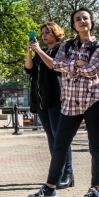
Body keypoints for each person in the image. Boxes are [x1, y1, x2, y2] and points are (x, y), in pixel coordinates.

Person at [27, 9, 99, 197]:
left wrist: (71, 66)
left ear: (92, 22)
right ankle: (50, 187)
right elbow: (56, 65)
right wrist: (76, 64)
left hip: (93, 100)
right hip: (70, 101)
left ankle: (95, 187)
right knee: (59, 144)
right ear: (73, 24)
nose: (82, 21)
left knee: (95, 145)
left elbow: (90, 70)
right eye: (78, 19)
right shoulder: (67, 45)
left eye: (85, 18)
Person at [25, 22, 73, 188]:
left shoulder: (63, 48)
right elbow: (29, 69)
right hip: (41, 98)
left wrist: (38, 50)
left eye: (48, 32)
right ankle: (56, 173)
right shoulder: (41, 51)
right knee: (51, 137)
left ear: (56, 33)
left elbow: (56, 67)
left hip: (56, 97)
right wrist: (30, 51)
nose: (44, 35)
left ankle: (68, 172)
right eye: (43, 33)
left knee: (60, 137)